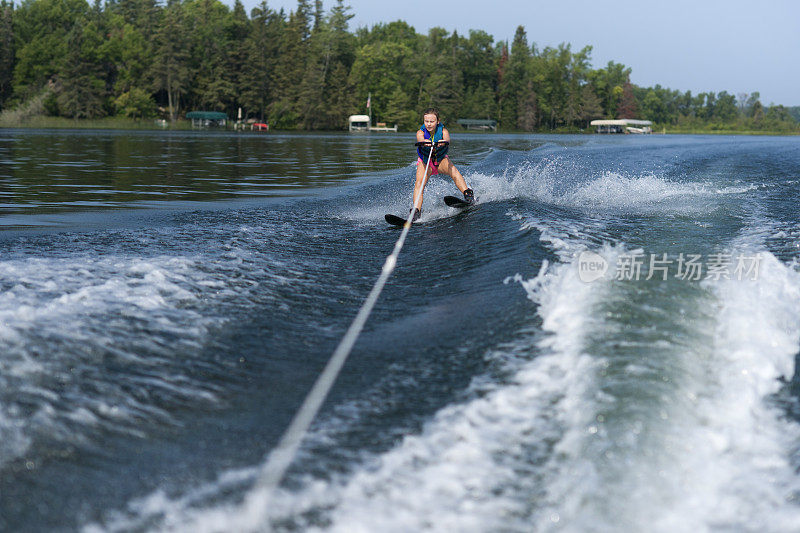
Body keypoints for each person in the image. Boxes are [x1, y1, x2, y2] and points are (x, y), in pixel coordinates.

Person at [410, 108, 474, 221]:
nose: (429, 124)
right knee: (419, 183)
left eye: (432, 121)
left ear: (437, 121)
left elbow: (447, 140)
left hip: (441, 161)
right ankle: (416, 211)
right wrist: (426, 142)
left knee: (454, 172)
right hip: (426, 162)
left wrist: (442, 142)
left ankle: (468, 194)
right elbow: (420, 139)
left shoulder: (444, 131)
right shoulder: (420, 132)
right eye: (426, 121)